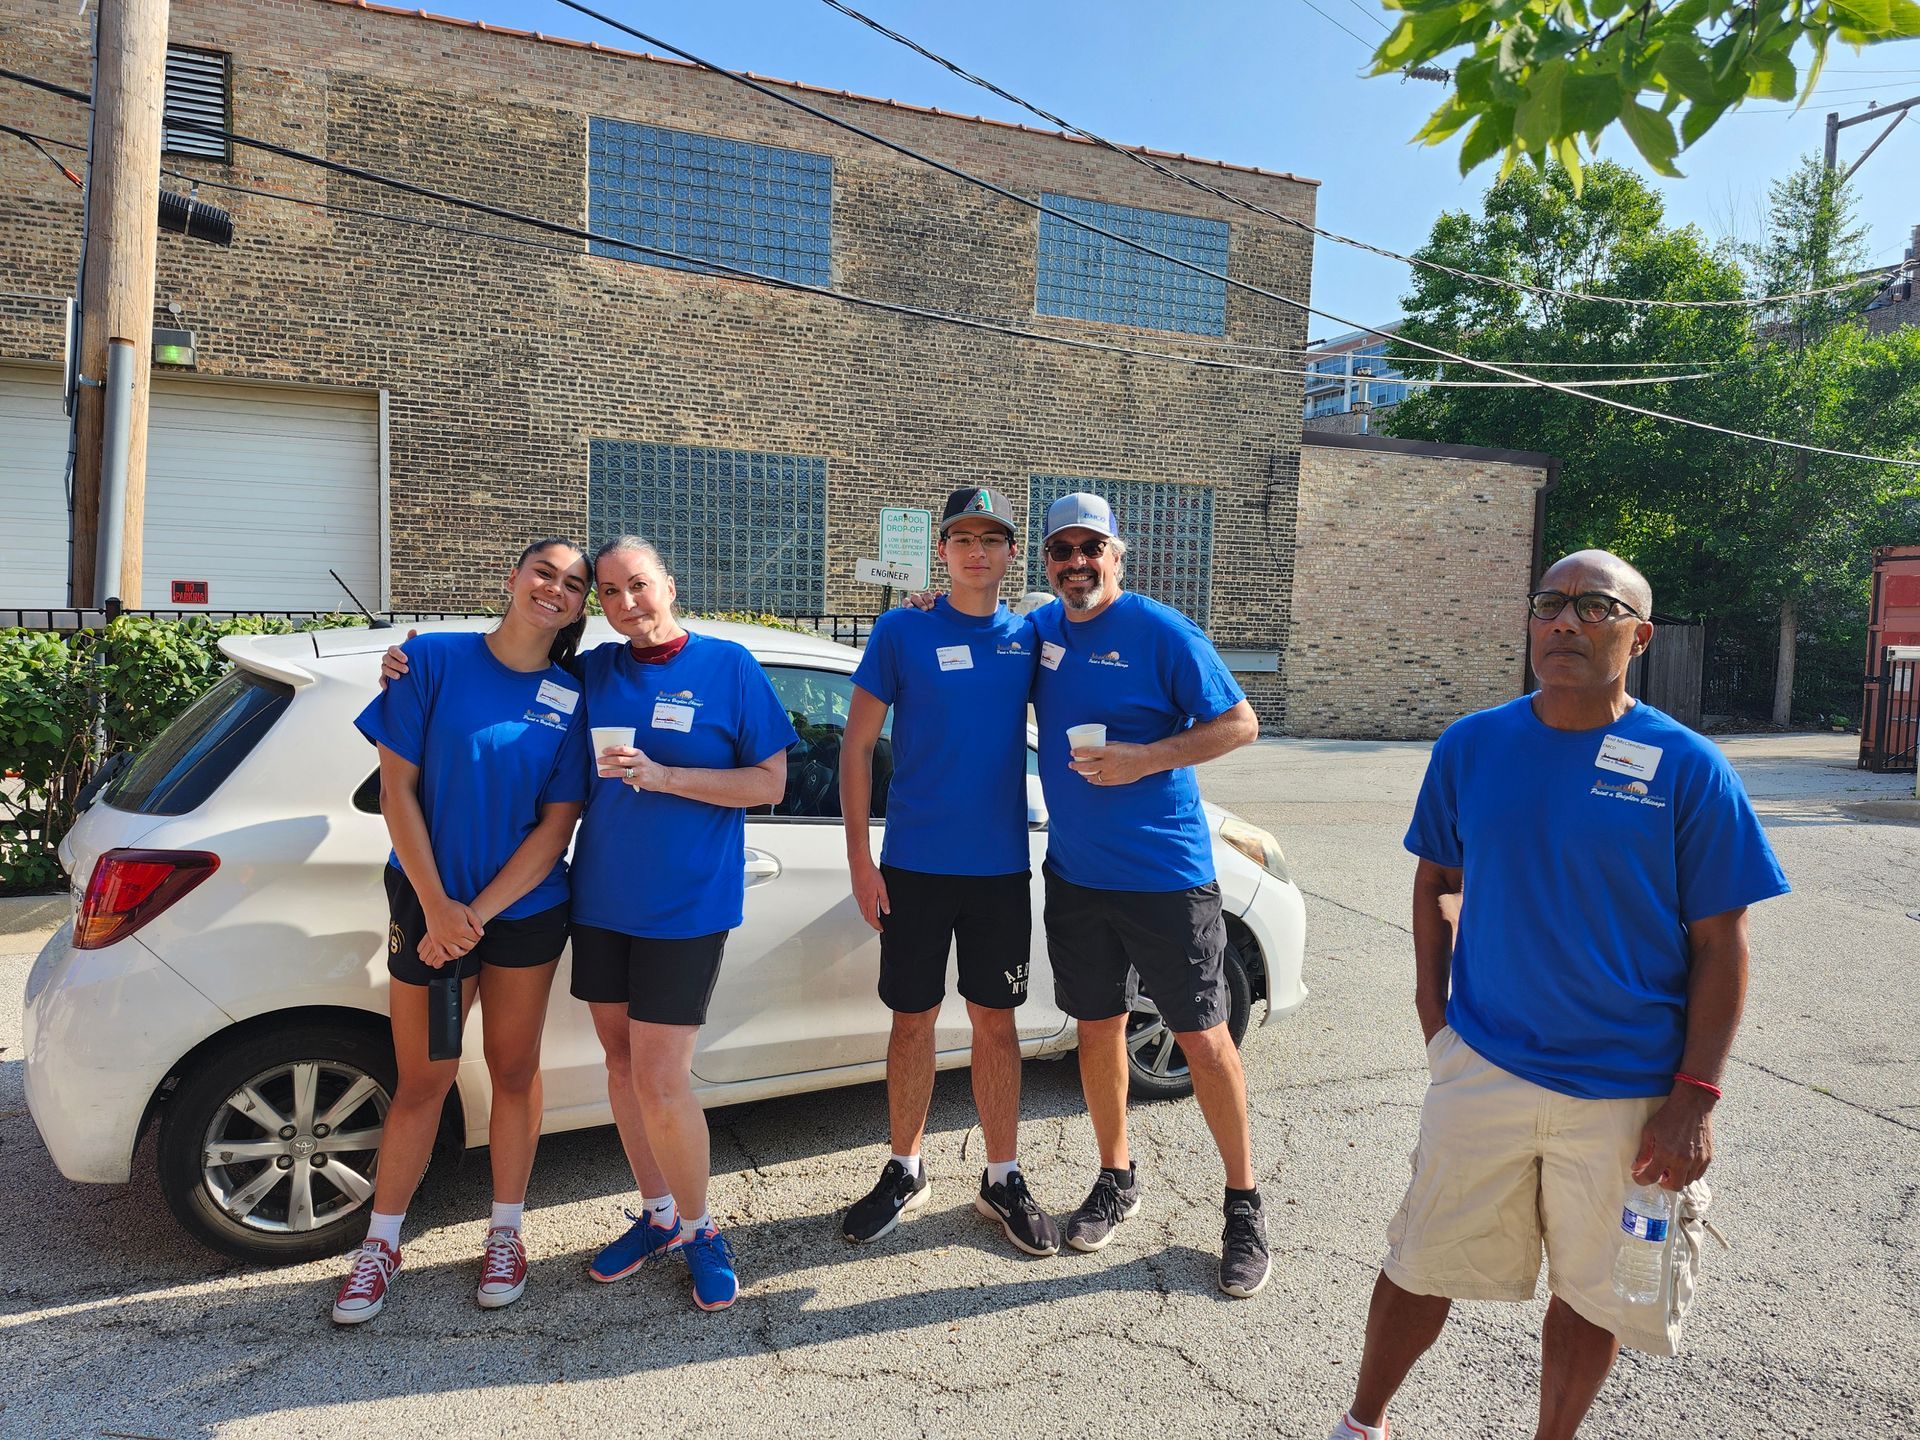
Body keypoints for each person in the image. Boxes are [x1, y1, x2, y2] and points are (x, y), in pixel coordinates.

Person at [1326, 550, 1789, 1440]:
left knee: (1593, 1292)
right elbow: (1437, 885)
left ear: (1638, 636)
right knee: (1419, 1262)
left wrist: (1694, 1098)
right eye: (1550, 604)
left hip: (1626, 1091)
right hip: (1485, 1067)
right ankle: (1362, 1424)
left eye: (1594, 607)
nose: (1566, 622)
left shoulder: (1685, 765)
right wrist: (1439, 1026)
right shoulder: (1474, 745)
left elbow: (1722, 942)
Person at [332, 538, 592, 1325]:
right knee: (424, 1081)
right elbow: (395, 788)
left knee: (514, 1073)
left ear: (580, 607)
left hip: (524, 911)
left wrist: (474, 915)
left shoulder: (571, 698)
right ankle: (380, 1244)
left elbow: (555, 829)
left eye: (573, 584)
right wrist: (440, 905)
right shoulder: (431, 661)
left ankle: (506, 1233)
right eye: (543, 572)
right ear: (511, 578)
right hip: (426, 906)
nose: (555, 588)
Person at [1027, 492, 1269, 1298]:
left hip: (1167, 879)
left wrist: (1146, 758)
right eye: (1061, 551)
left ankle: (1242, 1206)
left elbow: (1240, 724)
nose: (1075, 564)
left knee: (1204, 1040)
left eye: (1090, 549)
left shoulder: (1163, 631)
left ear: (1117, 555)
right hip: (1077, 877)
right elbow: (980, 632)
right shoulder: (1043, 631)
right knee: (1097, 1030)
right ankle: (1115, 1178)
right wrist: (927, 599)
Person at [568, 536, 797, 1311]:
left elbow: (769, 781)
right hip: (600, 900)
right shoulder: (596, 670)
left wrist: (666, 778)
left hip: (684, 908)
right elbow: (505, 666)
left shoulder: (728, 666)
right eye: (608, 592)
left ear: (669, 582)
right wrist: (411, 663)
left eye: (638, 585)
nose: (626, 603)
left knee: (663, 1077)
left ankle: (700, 1228)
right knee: (622, 1066)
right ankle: (658, 1213)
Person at [839, 485, 1060, 1257]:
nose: (976, 551)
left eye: (991, 540)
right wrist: (861, 859)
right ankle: (905, 1168)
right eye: (962, 538)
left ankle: (1002, 1176)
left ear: (1008, 554)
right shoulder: (903, 629)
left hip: (998, 867)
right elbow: (857, 746)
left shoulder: (1031, 638)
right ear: (942, 551)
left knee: (996, 1024)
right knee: (912, 1020)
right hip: (913, 867)